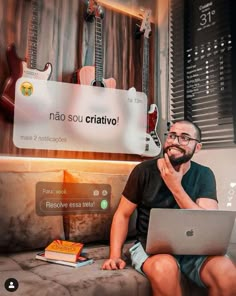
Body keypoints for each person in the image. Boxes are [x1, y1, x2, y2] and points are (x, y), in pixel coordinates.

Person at [102, 120, 236, 296]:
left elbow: (205, 221)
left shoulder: (204, 174)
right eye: (172, 136)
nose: (175, 141)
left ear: (197, 147)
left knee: (226, 272)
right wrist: (114, 255)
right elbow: (122, 215)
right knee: (164, 268)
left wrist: (175, 186)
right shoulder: (144, 171)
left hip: (194, 249)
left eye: (184, 138)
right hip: (150, 247)